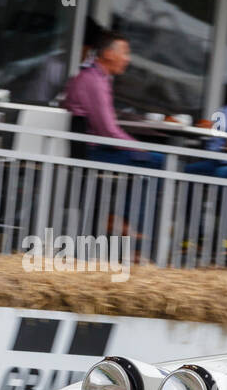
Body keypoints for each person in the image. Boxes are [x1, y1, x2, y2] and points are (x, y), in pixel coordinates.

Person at [63, 31, 163, 236]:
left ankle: (123, 221)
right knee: (158, 161)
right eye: (125, 52)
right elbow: (107, 131)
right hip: (93, 151)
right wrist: (139, 148)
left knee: (152, 160)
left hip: (93, 147)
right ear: (108, 54)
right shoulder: (94, 81)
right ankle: (123, 220)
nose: (128, 59)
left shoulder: (96, 77)